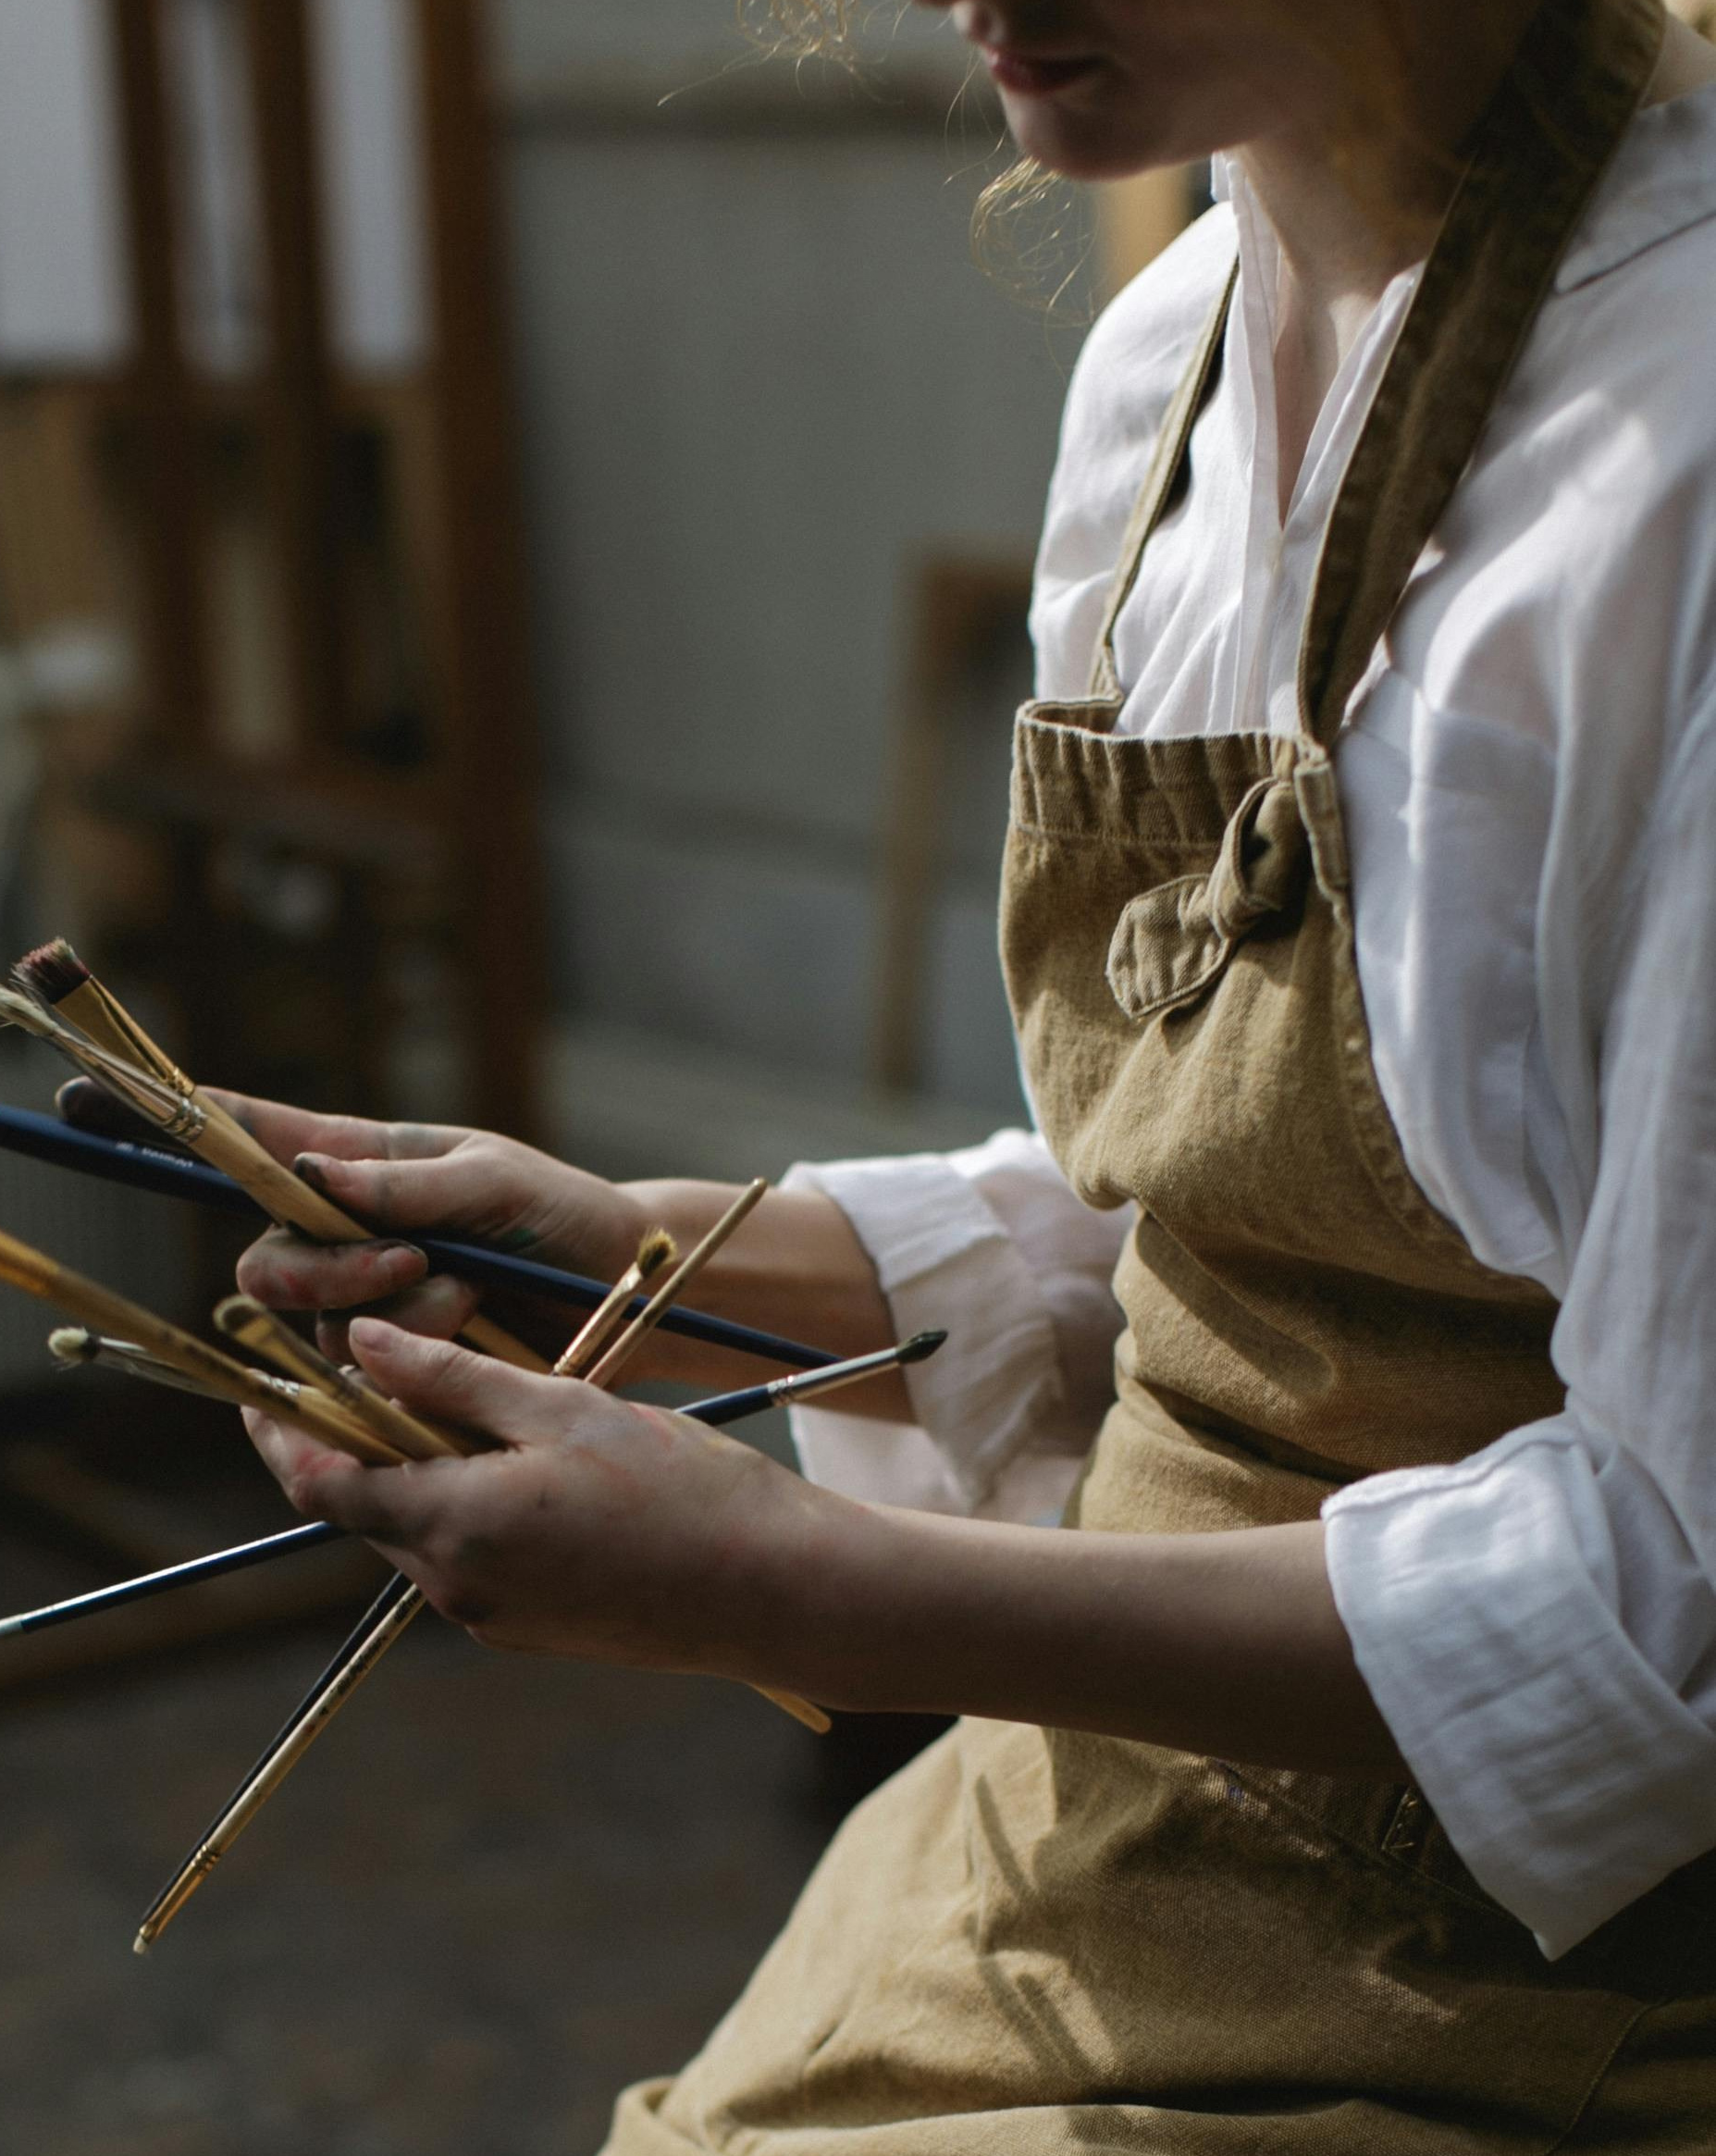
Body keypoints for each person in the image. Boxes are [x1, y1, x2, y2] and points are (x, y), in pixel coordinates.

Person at [218, 0, 1716, 2143]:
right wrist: (660, 1258)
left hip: (1546, 1982)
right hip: (1112, 1803)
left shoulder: (1679, 446)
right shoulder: (1169, 358)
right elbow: (1254, 1239)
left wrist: (785, 1582)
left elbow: (1673, 1611)